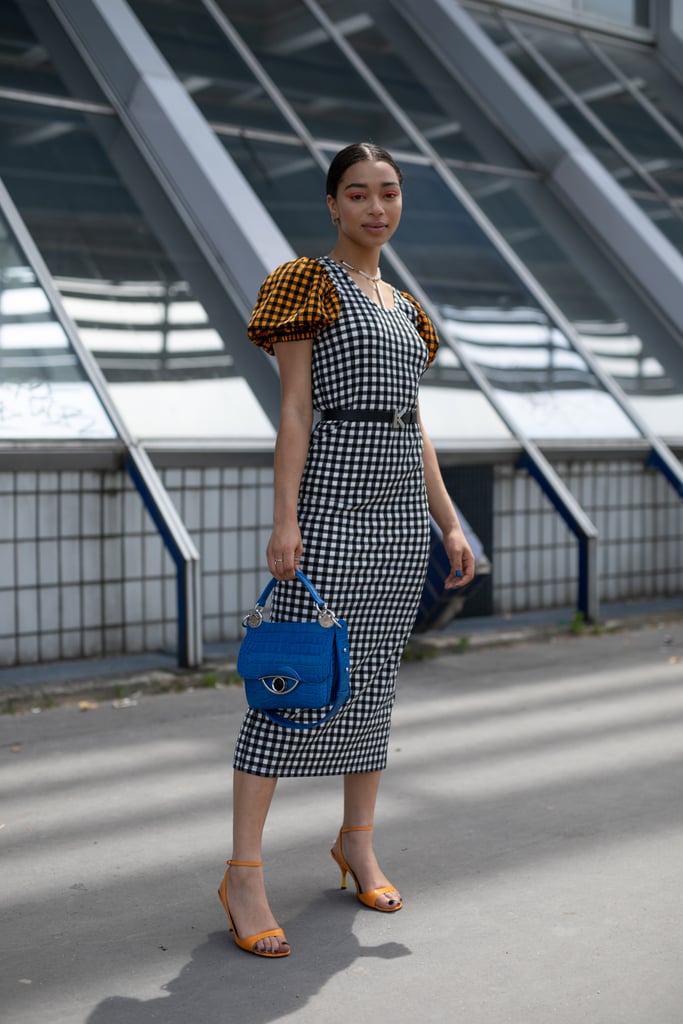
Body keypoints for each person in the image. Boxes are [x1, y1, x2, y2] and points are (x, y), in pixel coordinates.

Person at [217, 142, 476, 958]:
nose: (375, 207)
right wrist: (284, 519)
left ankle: (355, 841)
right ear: (332, 204)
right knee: (292, 680)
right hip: (331, 500)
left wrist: (449, 520)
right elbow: (295, 410)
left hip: (400, 512)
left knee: (371, 686)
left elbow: (415, 423)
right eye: (357, 193)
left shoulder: (404, 306)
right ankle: (243, 873)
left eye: (388, 193)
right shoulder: (305, 283)